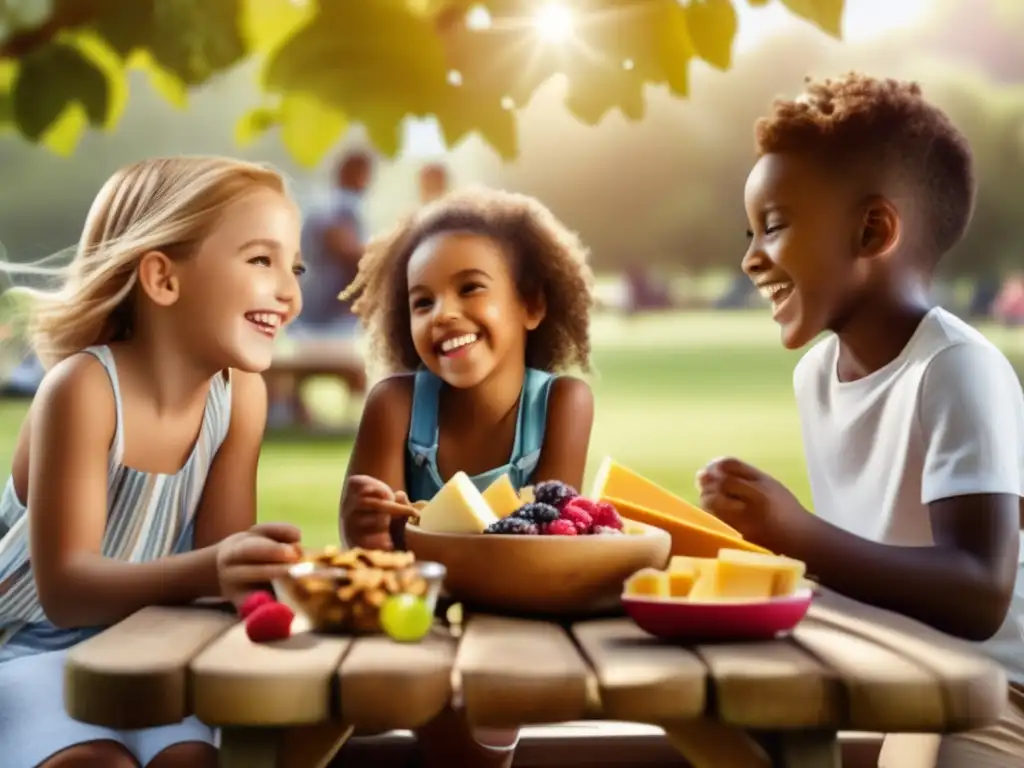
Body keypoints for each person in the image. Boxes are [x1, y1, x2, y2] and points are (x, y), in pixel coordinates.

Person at [698, 73, 1024, 767]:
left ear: (872, 229)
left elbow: (980, 593)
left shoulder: (956, 368)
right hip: (900, 672)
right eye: (750, 231)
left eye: (775, 225)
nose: (751, 257)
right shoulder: (815, 376)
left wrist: (795, 533)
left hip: (995, 692)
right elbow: (864, 564)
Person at [0, 156, 306, 768]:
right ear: (163, 279)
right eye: (260, 260)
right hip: (24, 652)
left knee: (192, 757)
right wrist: (216, 569)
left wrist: (277, 587)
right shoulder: (82, 390)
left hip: (149, 648)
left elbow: (222, 573)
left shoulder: (239, 394)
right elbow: (66, 591)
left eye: (294, 266)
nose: (290, 292)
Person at [339, 186, 597, 767]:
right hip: (409, 619)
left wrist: (418, 546)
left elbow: (540, 553)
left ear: (532, 304)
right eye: (422, 301)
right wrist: (365, 528)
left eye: (470, 288)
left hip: (514, 623)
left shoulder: (563, 404)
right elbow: (374, 561)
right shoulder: (394, 406)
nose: (444, 314)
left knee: (496, 680)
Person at [266, 150, 373, 428]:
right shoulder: (339, 204)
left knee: (315, 366)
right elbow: (344, 246)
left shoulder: (328, 204)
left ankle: (299, 412)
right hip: (326, 309)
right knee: (340, 367)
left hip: (319, 308)